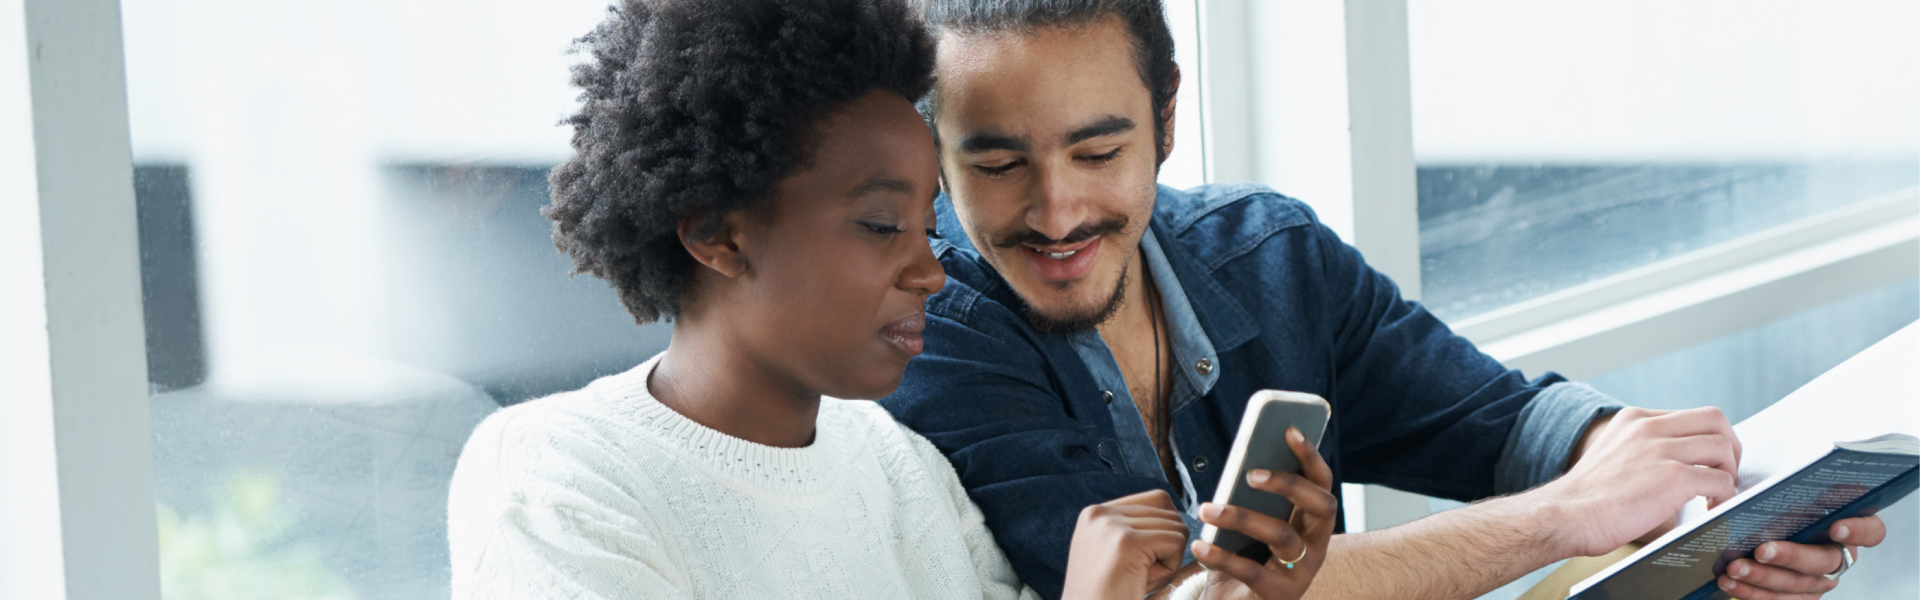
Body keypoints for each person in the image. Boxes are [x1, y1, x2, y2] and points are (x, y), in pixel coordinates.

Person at [878, 1, 1890, 599]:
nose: (1057, 211)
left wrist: (1722, 504)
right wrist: (1570, 516)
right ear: (935, 160)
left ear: (1168, 120)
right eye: (1000, 163)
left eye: (1098, 152)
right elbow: (1198, 593)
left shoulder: (1268, 257)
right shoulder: (921, 339)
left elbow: (1502, 424)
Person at [446, 1, 1334, 598]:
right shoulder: (557, 478)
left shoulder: (902, 469)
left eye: (925, 225)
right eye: (880, 227)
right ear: (717, 232)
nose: (932, 274)